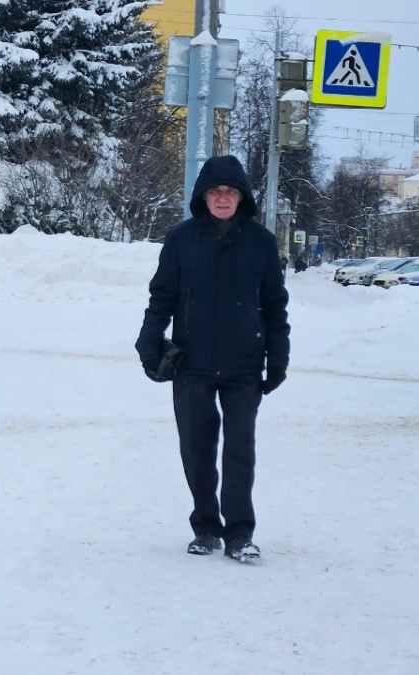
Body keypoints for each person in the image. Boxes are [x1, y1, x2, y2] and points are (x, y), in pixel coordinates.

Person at [135, 155, 290, 563]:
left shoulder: (261, 243)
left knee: (240, 450)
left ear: (243, 198)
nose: (223, 198)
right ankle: (206, 527)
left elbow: (275, 305)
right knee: (196, 450)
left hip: (243, 366)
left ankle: (240, 533)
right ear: (203, 197)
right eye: (215, 191)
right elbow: (162, 297)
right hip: (192, 365)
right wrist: (149, 341)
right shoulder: (181, 239)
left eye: (231, 191)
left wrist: (278, 358)